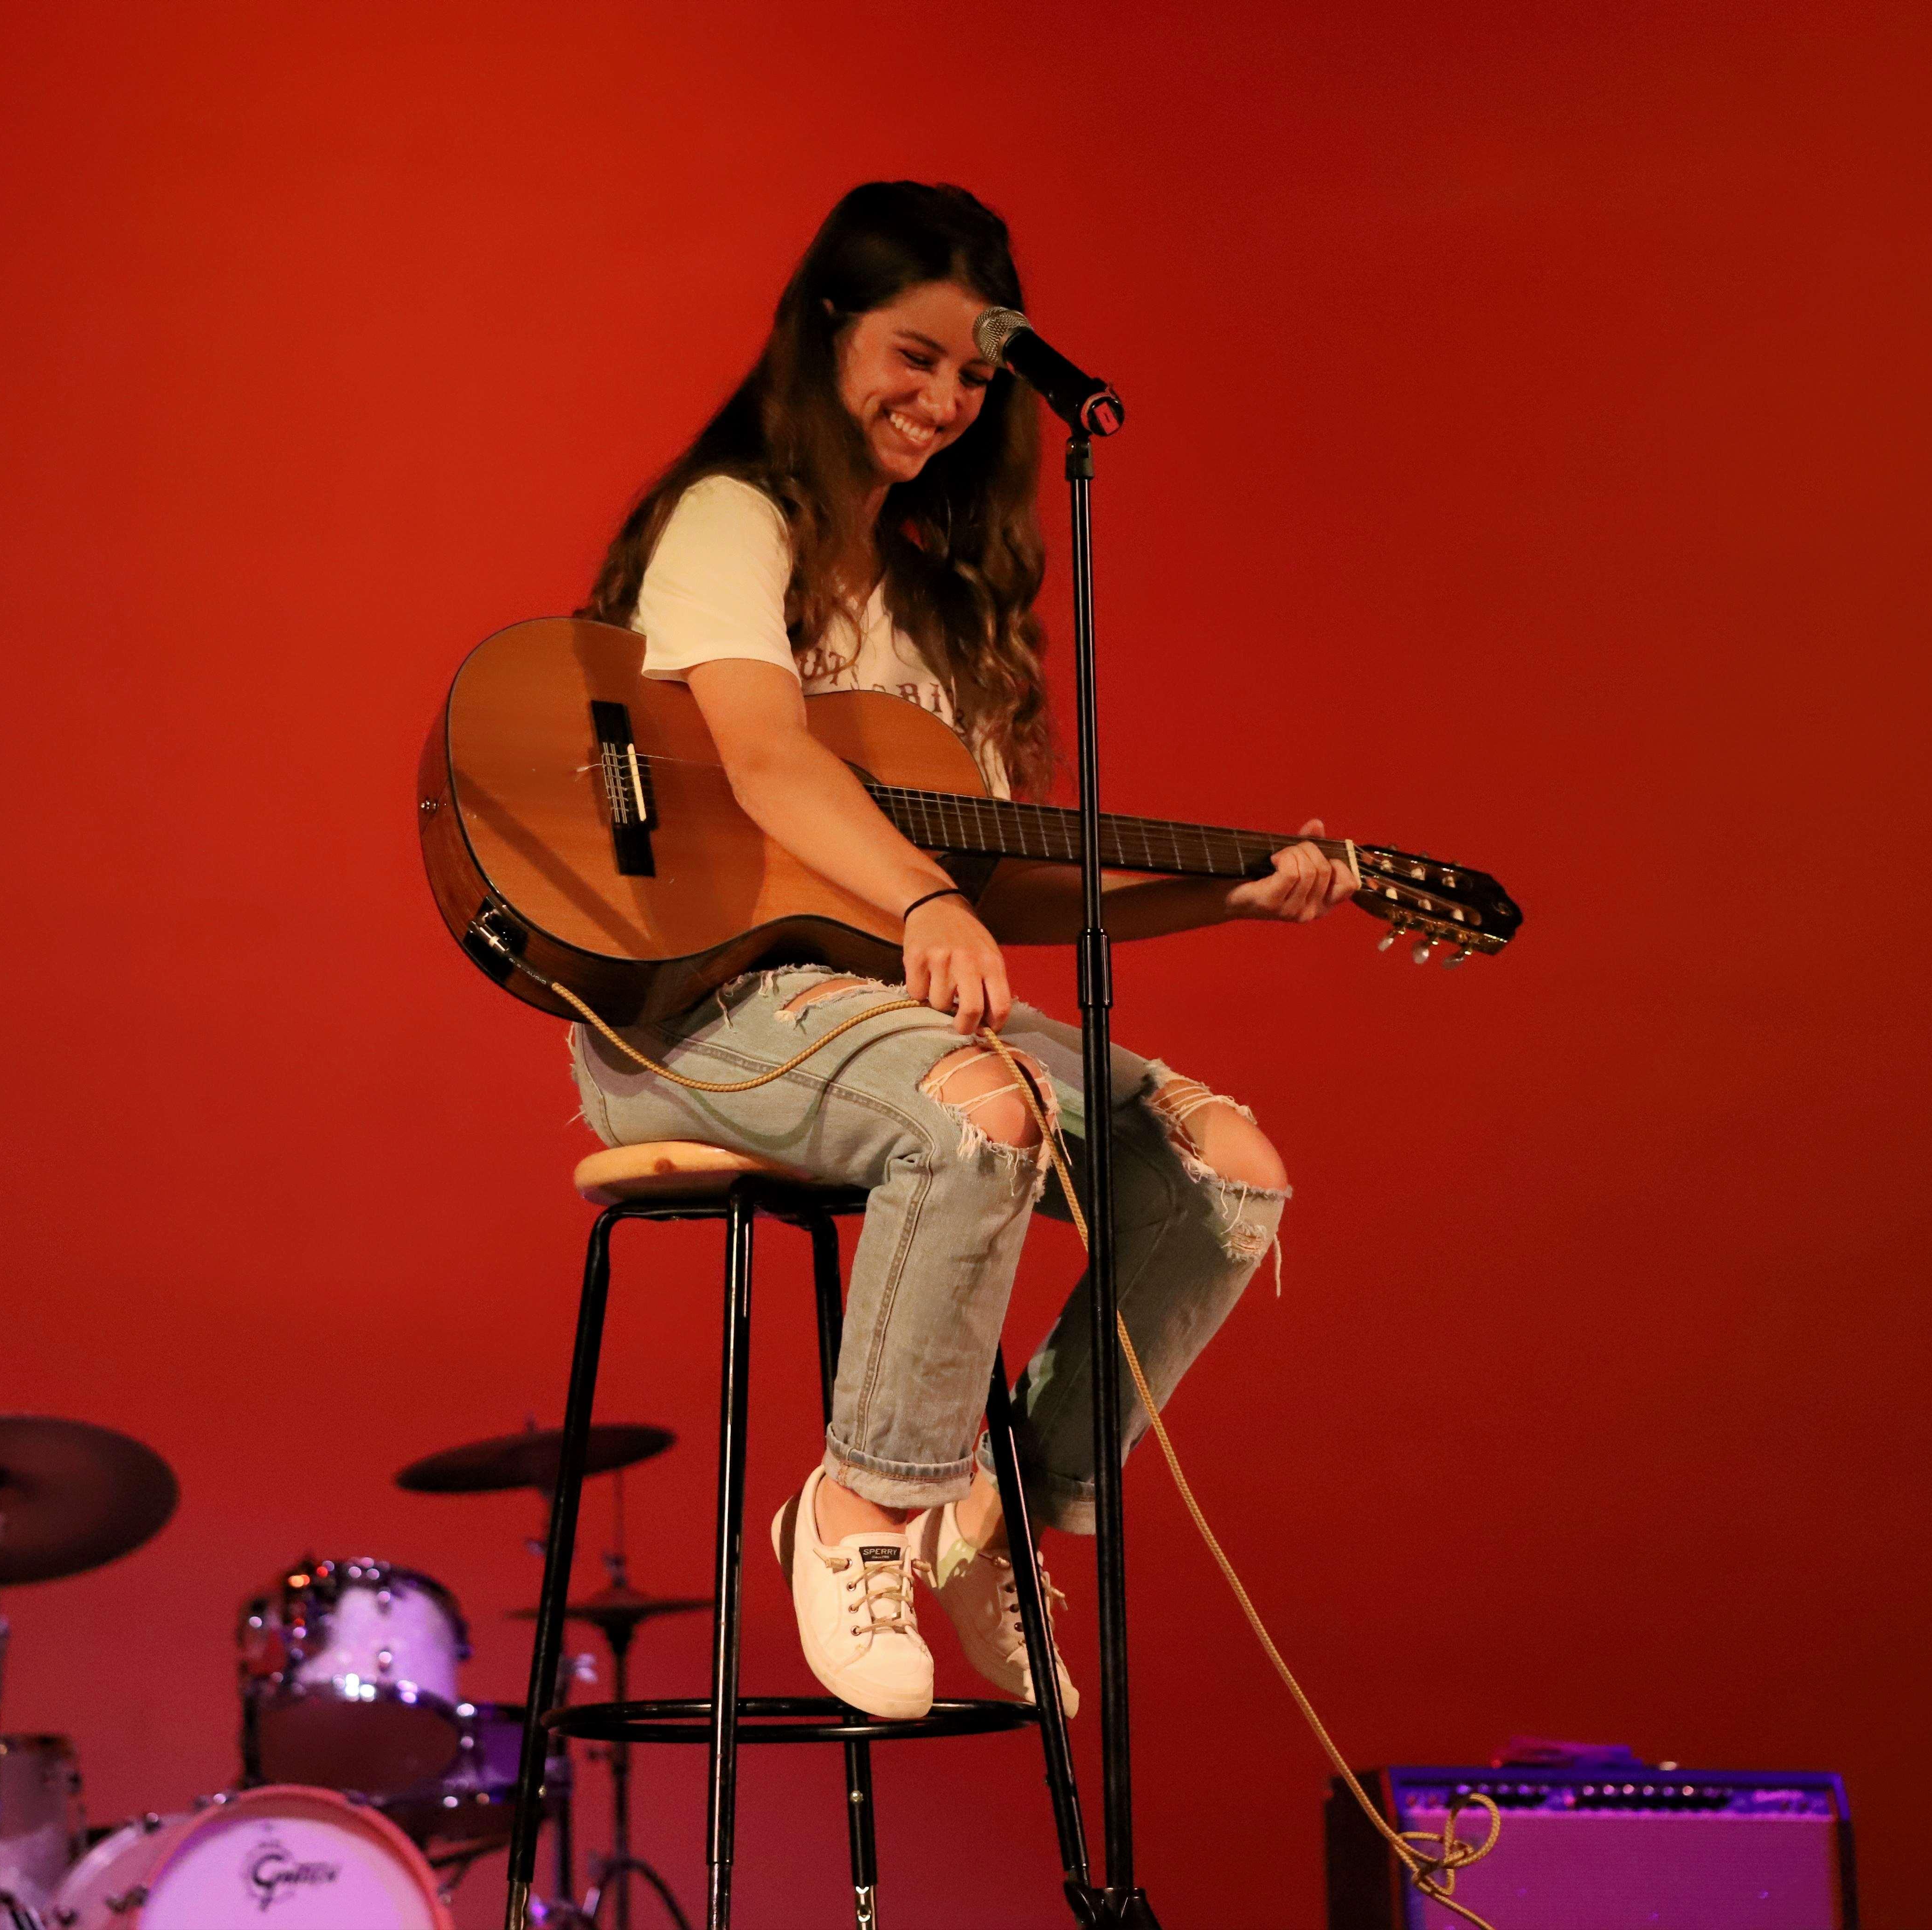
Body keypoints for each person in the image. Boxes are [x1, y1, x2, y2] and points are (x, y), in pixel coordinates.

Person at [567, 181, 1356, 1720]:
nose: (941, 402)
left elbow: (990, 894)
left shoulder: (939, 610)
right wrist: (926, 903)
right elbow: (766, 760)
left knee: (1225, 1171)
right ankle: (857, 1509)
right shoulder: (734, 518)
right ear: (827, 331)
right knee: (981, 1107)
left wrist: (1224, 898)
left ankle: (999, 1511)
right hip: (702, 1014)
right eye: (913, 356)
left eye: (974, 377)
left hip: (886, 1010)